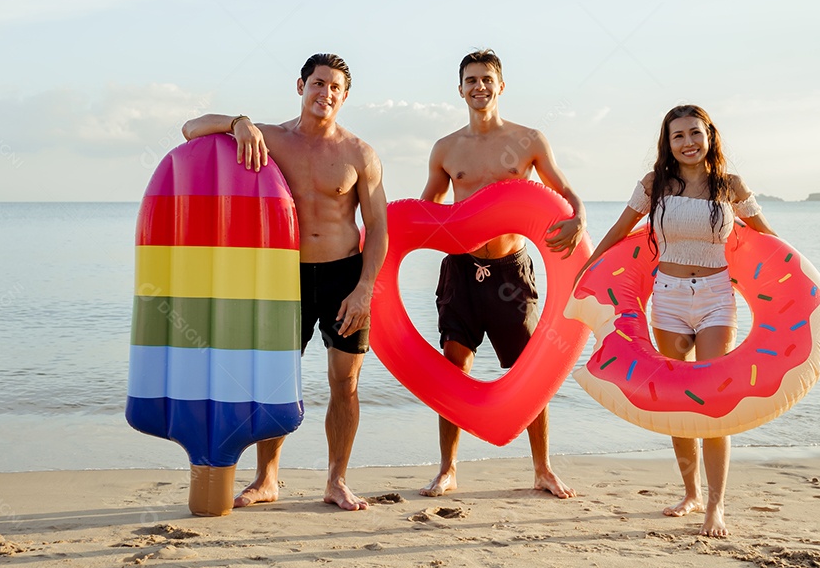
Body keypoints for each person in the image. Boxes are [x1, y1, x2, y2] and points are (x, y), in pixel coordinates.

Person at [181, 53, 388, 511]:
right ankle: (267, 478)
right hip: (283, 278)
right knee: (274, 381)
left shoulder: (360, 154)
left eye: (335, 88)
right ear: (300, 87)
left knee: (345, 383)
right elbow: (191, 128)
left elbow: (379, 228)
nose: (325, 94)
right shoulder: (271, 138)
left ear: (345, 96)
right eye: (318, 84)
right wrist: (239, 123)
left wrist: (364, 289)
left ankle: (336, 480)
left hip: (343, 275)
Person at [579, 104, 776, 537]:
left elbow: (769, 239)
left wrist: (802, 287)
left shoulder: (730, 186)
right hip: (667, 298)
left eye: (695, 133)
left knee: (713, 401)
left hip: (716, 298)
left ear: (710, 136)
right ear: (667, 143)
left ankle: (716, 506)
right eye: (678, 136)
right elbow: (619, 230)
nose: (688, 142)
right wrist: (586, 269)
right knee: (678, 400)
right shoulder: (655, 185)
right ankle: (691, 493)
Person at [418, 49, 586, 499]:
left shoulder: (529, 139)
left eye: (487, 79)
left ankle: (542, 469)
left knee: (530, 370)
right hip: (461, 268)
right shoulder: (447, 149)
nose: (479, 87)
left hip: (512, 270)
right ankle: (448, 468)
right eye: (470, 80)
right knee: (455, 367)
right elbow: (427, 208)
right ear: (460, 89)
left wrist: (580, 215)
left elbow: (563, 190)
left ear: (501, 86)